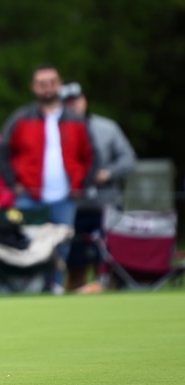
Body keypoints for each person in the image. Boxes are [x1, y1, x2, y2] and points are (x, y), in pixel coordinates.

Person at [0, 65, 95, 293]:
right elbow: (3, 152)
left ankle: (55, 287)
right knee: (30, 245)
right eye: (41, 83)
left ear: (59, 84)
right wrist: (14, 183)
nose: (47, 88)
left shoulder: (75, 119)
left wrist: (83, 183)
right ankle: (31, 288)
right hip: (30, 196)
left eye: (51, 82)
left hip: (65, 196)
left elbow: (91, 155)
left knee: (61, 246)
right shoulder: (21, 118)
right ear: (34, 87)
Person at [60, 82, 136, 291]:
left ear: (84, 100)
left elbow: (128, 159)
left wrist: (108, 173)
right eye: (67, 103)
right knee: (74, 266)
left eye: (76, 101)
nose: (72, 106)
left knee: (109, 267)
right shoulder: (56, 130)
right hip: (73, 207)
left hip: (106, 206)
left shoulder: (107, 128)